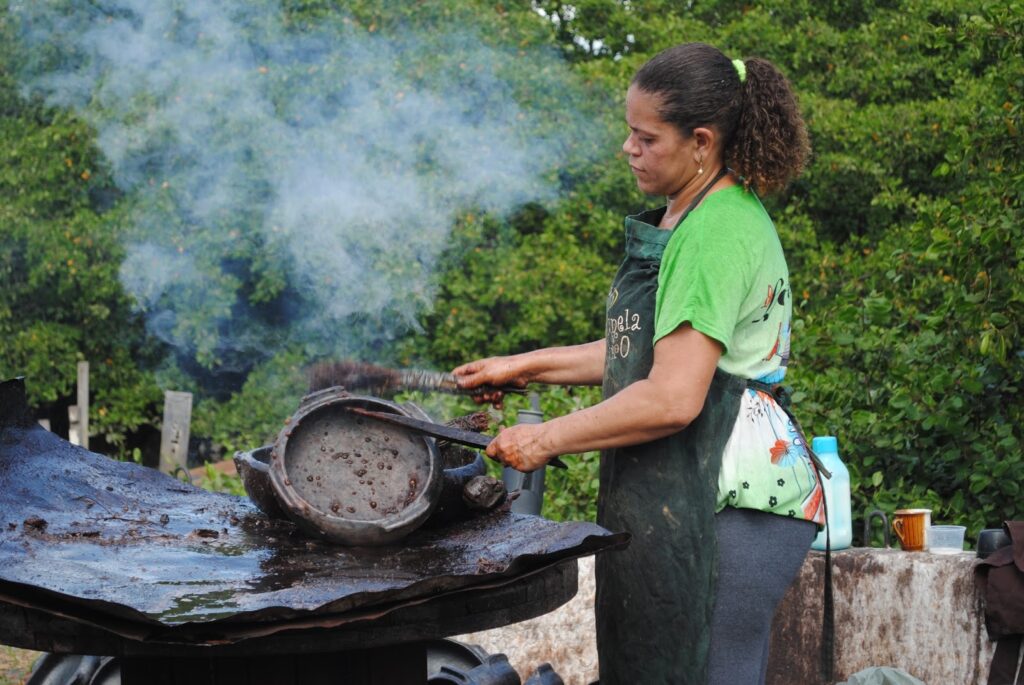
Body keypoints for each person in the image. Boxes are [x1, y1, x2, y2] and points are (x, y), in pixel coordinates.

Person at [453, 42, 825, 685]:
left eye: (646, 137)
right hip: (694, 490)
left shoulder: (715, 233)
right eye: (629, 132)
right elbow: (642, 352)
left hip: (733, 499)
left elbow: (673, 396)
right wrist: (524, 367)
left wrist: (544, 438)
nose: (629, 148)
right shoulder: (692, 216)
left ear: (702, 142)